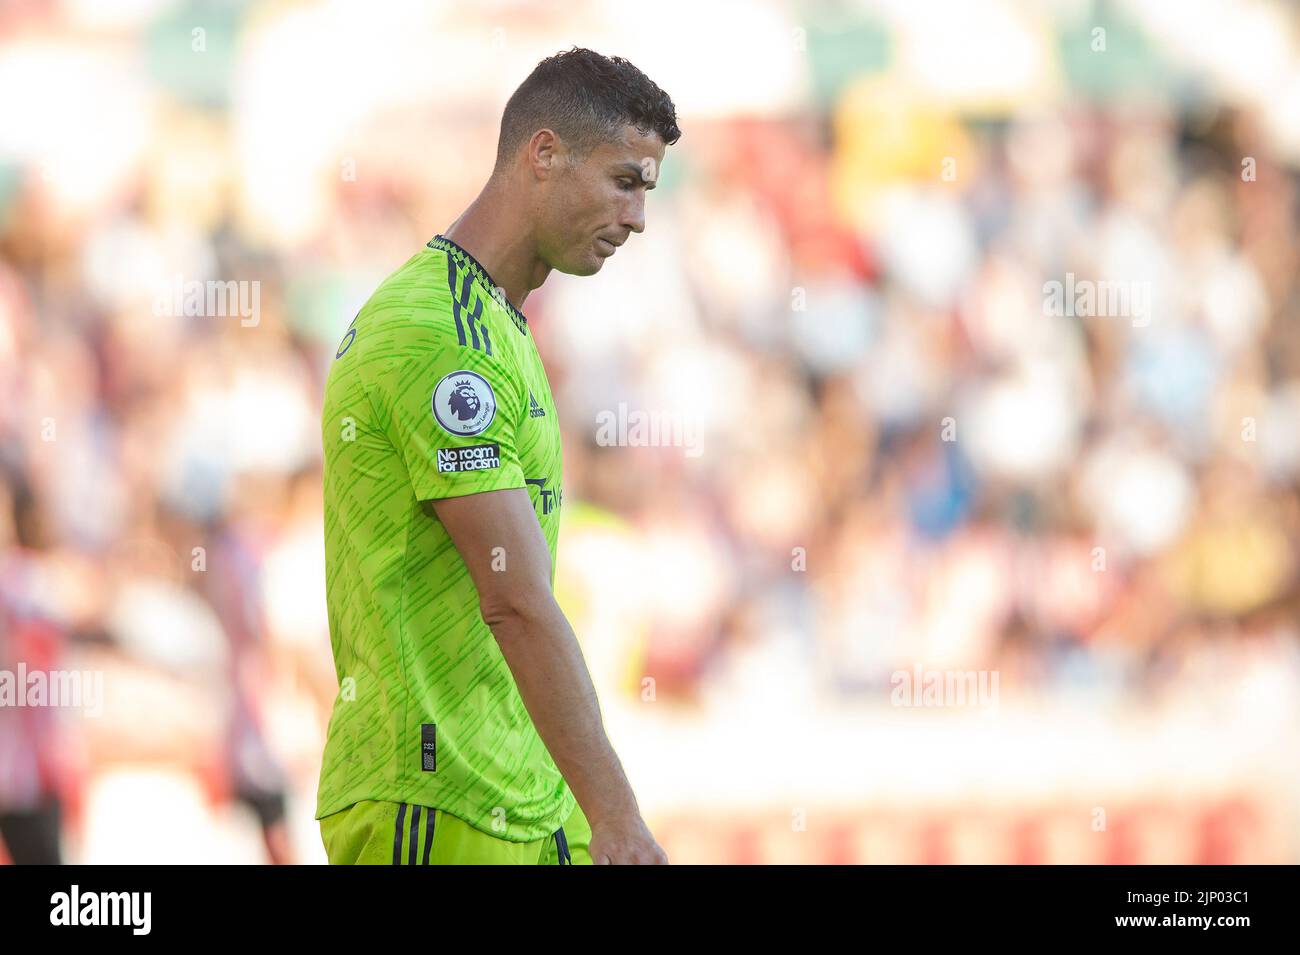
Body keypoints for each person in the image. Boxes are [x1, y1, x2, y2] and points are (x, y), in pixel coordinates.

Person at [316, 47, 680, 864]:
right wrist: (617, 815)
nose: (638, 218)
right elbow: (513, 598)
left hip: (516, 798)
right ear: (543, 153)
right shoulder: (441, 335)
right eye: (625, 181)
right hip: (436, 799)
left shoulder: (497, 323)